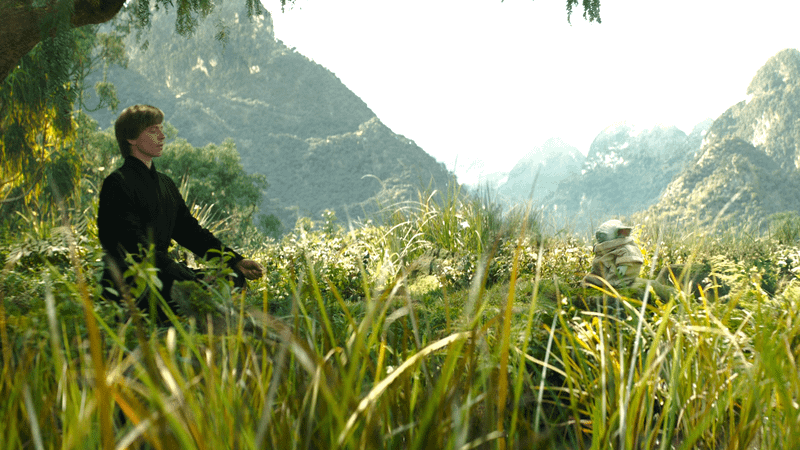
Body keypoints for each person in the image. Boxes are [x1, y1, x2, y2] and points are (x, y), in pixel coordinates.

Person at [97, 104, 264, 323]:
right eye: (153, 131)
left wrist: (235, 260)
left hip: (168, 276)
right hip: (134, 285)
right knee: (202, 291)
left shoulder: (165, 184)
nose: (162, 136)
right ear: (131, 138)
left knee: (234, 277)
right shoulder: (116, 184)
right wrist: (186, 276)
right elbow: (135, 249)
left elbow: (191, 232)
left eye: (161, 129)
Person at [582, 219, 643, 289]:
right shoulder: (603, 247)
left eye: (602, 235)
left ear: (620, 233)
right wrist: (595, 267)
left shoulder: (624, 246)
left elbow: (630, 254)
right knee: (589, 279)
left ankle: (615, 284)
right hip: (602, 273)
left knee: (616, 280)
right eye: (598, 235)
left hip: (615, 273)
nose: (599, 237)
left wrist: (624, 265)